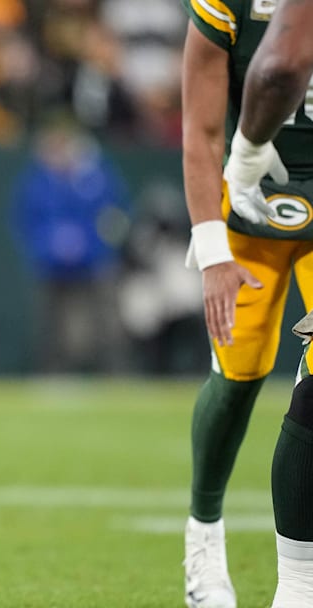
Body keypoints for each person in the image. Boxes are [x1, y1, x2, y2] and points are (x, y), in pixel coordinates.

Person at [180, 0, 313, 606]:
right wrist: (211, 248)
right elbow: (202, 127)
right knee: (237, 375)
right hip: (249, 194)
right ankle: (202, 533)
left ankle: (297, 586)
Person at [10, 113, 130, 374]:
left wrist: (90, 246)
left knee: (105, 323)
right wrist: (51, 246)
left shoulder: (95, 177)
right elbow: (26, 222)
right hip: (50, 265)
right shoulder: (37, 181)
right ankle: (52, 375)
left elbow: (114, 217)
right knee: (50, 326)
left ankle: (115, 375)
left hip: (93, 262)